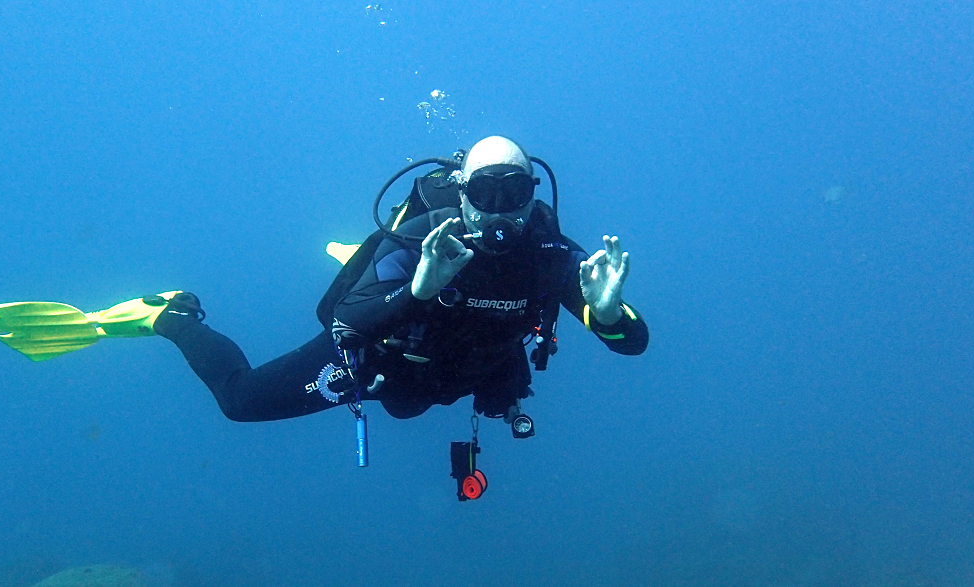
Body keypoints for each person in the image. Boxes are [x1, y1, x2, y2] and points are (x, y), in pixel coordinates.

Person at [150, 136, 648, 423]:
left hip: (464, 373)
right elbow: (342, 324)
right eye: (484, 192)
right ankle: (174, 317)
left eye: (513, 192)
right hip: (387, 365)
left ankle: (374, 272)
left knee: (412, 409)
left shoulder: (549, 252)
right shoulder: (423, 237)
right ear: (462, 192)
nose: (499, 210)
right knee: (241, 403)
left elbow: (634, 344)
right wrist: (417, 289)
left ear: (532, 194)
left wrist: (605, 315)